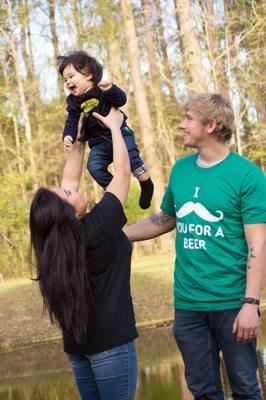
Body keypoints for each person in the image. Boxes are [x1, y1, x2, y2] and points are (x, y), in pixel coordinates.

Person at [124, 93, 266, 399]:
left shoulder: (247, 176)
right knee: (202, 391)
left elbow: (258, 243)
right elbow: (165, 218)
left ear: (211, 125)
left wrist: (251, 304)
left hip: (231, 304)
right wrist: (118, 235)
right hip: (188, 306)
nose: (181, 125)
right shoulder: (181, 169)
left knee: (245, 389)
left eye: (188, 118)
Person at [30, 108, 138, 400]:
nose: (72, 189)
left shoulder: (50, 244)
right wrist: (116, 129)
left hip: (78, 349)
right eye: (67, 194)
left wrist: (79, 141)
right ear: (68, 214)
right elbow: (123, 174)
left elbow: (70, 179)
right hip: (111, 349)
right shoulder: (98, 227)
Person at [58, 50, 154, 210]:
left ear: (88, 74)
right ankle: (113, 190)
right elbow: (72, 121)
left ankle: (146, 182)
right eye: (65, 79)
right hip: (98, 143)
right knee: (94, 166)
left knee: (132, 159)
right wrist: (68, 135)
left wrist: (110, 89)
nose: (68, 82)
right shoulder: (74, 102)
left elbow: (121, 100)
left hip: (120, 134)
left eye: (71, 76)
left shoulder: (102, 89)